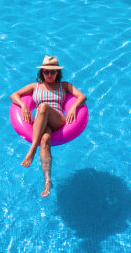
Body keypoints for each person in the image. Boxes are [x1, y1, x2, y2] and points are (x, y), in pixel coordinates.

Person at [11, 55, 85, 197]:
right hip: (41, 122)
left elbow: (82, 96)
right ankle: (47, 181)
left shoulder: (64, 86)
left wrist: (74, 107)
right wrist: (23, 106)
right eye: (46, 72)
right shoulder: (35, 87)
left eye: (53, 72)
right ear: (42, 72)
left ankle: (31, 150)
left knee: (43, 107)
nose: (49, 75)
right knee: (44, 142)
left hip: (57, 120)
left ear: (57, 72)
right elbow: (14, 95)